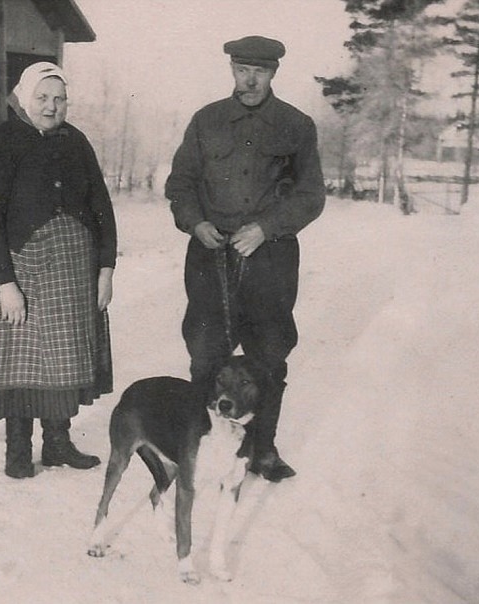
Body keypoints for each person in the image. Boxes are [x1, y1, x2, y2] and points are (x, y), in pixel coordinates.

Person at [165, 35, 325, 482]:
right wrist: (195, 222)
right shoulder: (207, 121)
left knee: (270, 357)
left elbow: (312, 195)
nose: (249, 80)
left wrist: (266, 228)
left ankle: (263, 451)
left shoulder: (296, 125)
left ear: (274, 73)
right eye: (242, 70)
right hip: (209, 256)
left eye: (259, 71)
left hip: (269, 259)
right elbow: (180, 184)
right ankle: (197, 445)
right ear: (231, 69)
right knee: (204, 356)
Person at [0, 62, 116, 479]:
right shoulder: (3, 142)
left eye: (59, 99)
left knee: (64, 355)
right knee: (20, 360)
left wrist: (106, 267)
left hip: (73, 268)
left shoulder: (77, 142)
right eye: (42, 98)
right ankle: (18, 449)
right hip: (20, 265)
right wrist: (5, 283)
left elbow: (101, 207)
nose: (51, 107)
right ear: (23, 97)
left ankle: (57, 443)